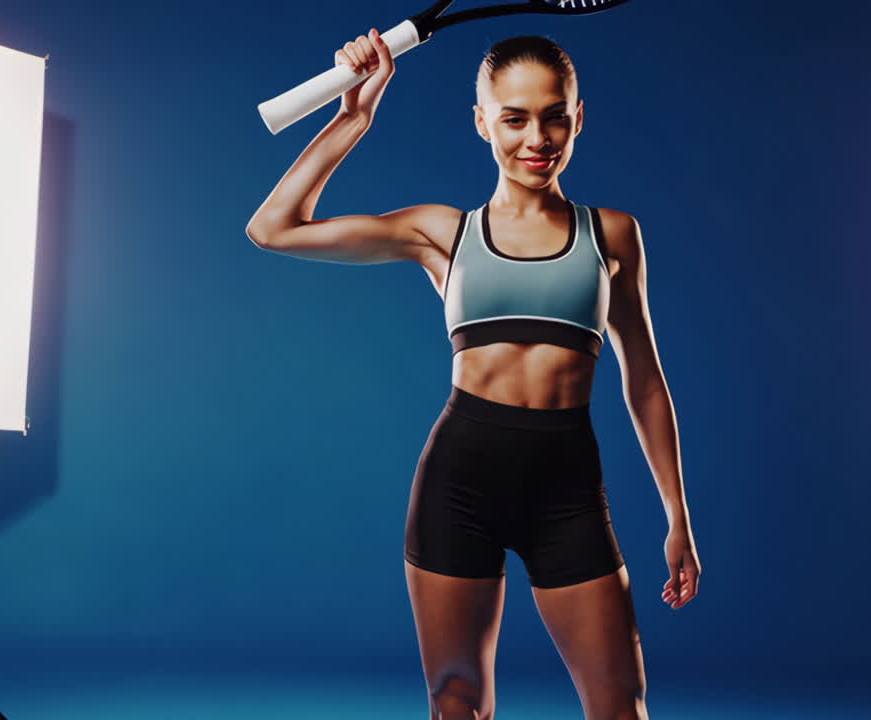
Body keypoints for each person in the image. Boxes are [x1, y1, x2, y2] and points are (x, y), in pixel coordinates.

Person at [245, 27, 700, 720]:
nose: (536, 137)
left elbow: (644, 380)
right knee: (457, 702)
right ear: (482, 120)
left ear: (579, 117)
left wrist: (677, 517)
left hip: (567, 490)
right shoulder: (443, 233)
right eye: (514, 118)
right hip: (460, 485)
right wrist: (354, 116)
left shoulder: (612, 235)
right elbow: (273, 227)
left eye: (554, 115)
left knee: (619, 704)